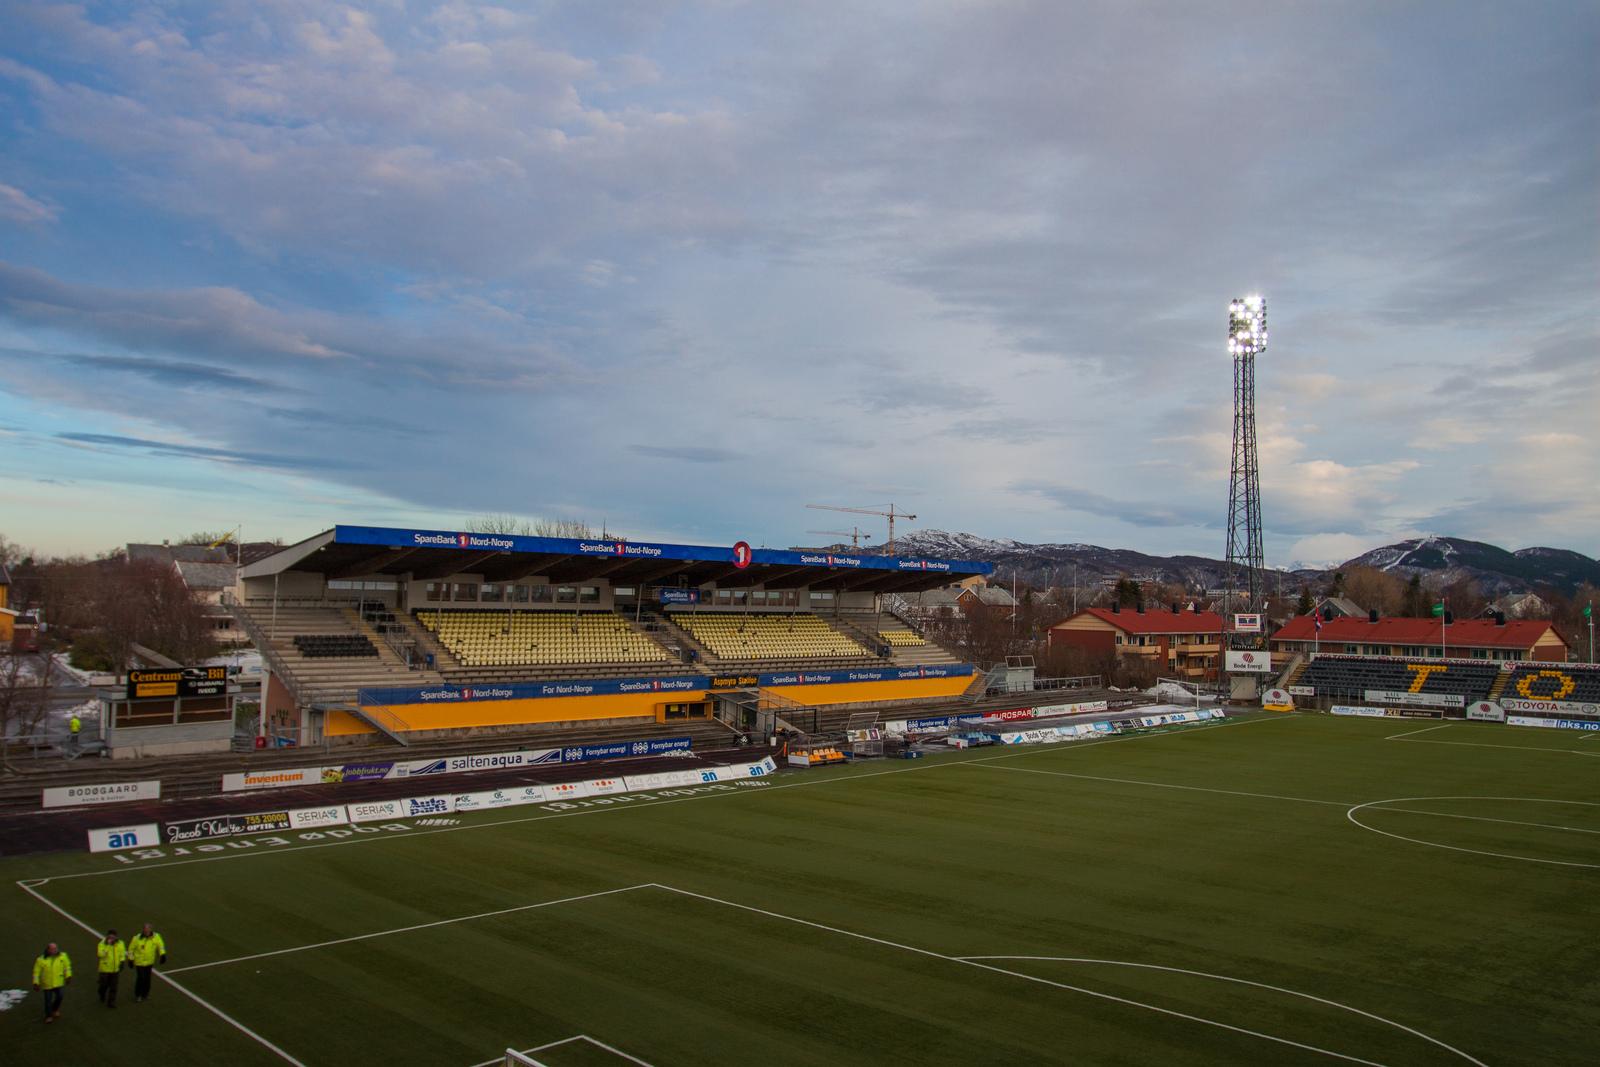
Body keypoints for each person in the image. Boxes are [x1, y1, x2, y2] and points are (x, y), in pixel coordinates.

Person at [31, 942, 72, 1023]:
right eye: (52, 949)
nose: (54, 950)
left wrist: (68, 976)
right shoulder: (41, 960)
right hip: (47, 983)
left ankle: (54, 1009)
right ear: (48, 950)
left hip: (58, 982)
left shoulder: (63, 956)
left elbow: (67, 967)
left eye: (55, 948)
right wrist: (36, 983)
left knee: (60, 996)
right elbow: (36, 972)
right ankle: (48, 1016)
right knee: (48, 1001)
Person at [127, 923, 166, 1003]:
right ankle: (138, 995)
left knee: (147, 979)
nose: (146, 931)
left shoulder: (156, 936)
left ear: (150, 929)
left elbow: (160, 945)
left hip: (149, 962)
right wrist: (130, 959)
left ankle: (145, 994)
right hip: (139, 962)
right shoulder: (136, 938)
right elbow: (130, 949)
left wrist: (162, 954)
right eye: (145, 929)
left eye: (148, 929)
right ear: (143, 930)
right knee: (141, 978)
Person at [95, 929, 126, 1008]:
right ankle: (101, 993)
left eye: (113, 937)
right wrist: (108, 946)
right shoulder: (102, 944)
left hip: (115, 970)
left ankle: (111, 1002)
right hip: (105, 969)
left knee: (114, 987)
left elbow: (122, 953)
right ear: (107, 936)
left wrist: (122, 961)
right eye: (110, 937)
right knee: (103, 985)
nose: (112, 938)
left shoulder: (120, 943)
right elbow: (100, 954)